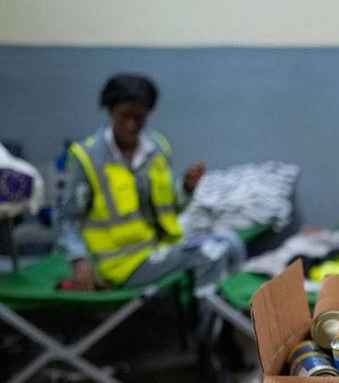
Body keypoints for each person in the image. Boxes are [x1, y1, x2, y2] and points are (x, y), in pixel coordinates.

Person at [57, 74, 244, 345]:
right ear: (110, 112)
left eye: (140, 118)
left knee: (231, 242)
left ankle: (225, 330)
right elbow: (67, 217)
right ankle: (209, 344)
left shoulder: (156, 150)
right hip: (118, 265)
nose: (132, 125)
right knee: (210, 252)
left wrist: (186, 188)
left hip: (156, 250)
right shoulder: (87, 158)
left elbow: (169, 208)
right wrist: (78, 259)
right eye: (124, 116)